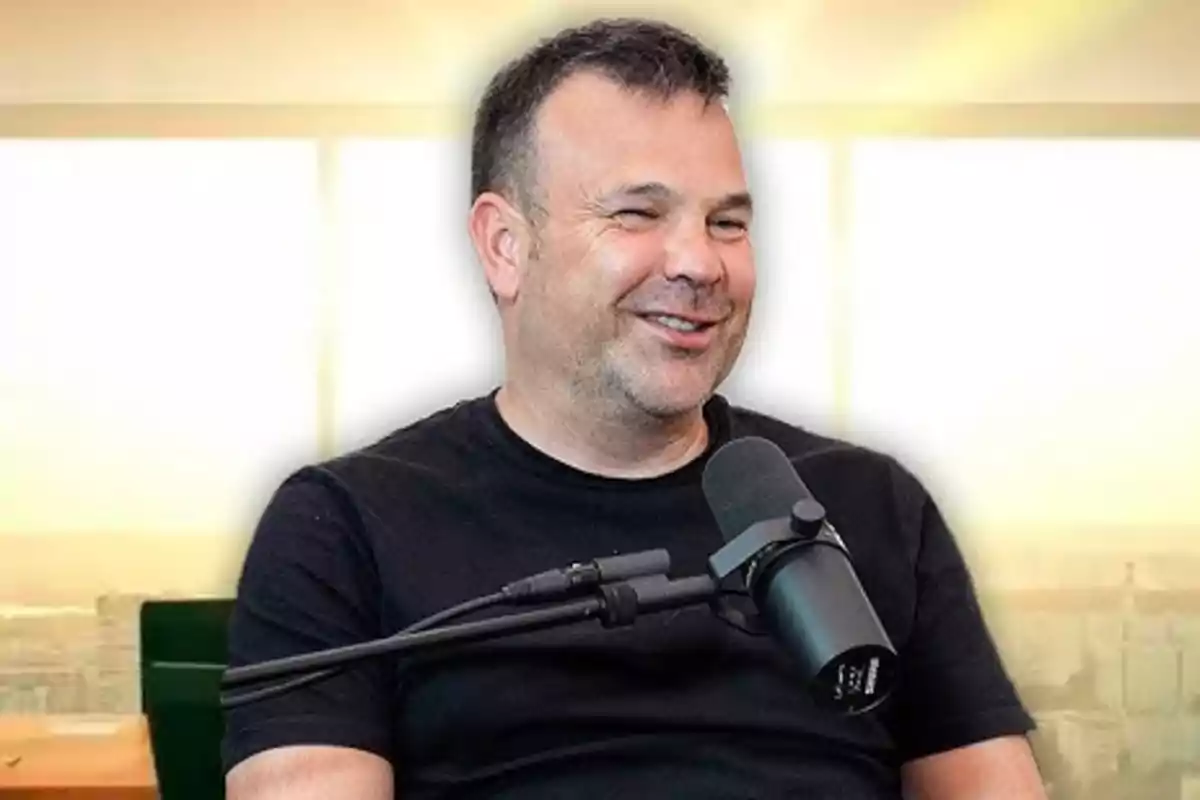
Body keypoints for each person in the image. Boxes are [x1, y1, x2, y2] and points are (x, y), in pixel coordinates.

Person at [222, 17, 1047, 799]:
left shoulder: (873, 503)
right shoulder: (343, 525)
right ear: (506, 247)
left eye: (727, 222)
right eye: (637, 214)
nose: (700, 262)